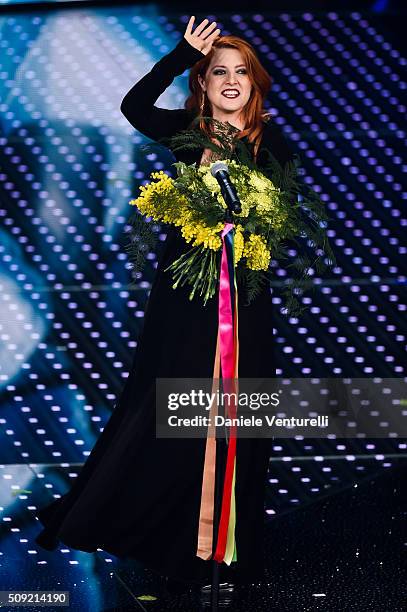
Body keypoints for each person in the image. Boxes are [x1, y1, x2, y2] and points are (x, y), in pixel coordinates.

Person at [35, 15, 295, 591]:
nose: (230, 80)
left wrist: (252, 221)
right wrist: (181, 55)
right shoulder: (185, 131)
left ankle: (222, 538)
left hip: (244, 298)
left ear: (255, 84)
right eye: (217, 72)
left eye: (241, 73)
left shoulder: (270, 140)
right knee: (175, 404)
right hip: (188, 297)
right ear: (202, 84)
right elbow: (133, 106)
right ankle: (161, 526)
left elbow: (287, 214)